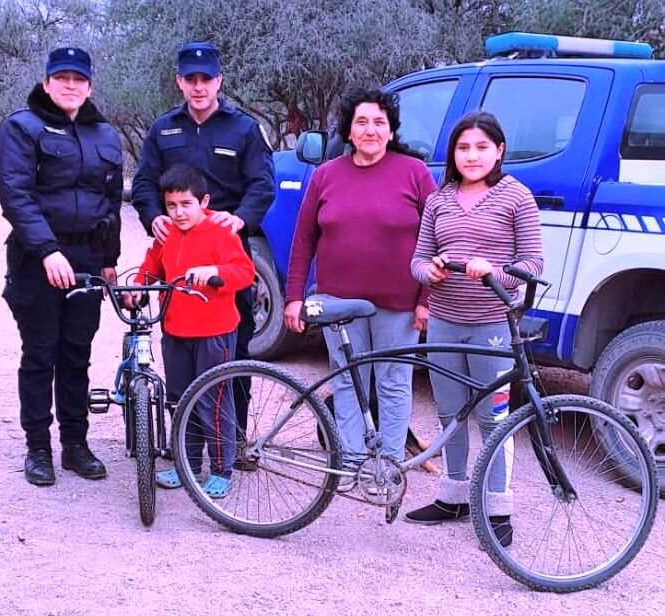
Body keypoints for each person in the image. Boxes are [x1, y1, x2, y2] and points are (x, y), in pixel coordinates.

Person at [284, 87, 437, 482]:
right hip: (338, 304)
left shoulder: (415, 173)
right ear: (349, 131)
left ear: (391, 131)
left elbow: (436, 239)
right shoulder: (325, 176)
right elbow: (303, 240)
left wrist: (426, 300)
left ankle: (388, 466)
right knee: (347, 380)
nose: (370, 130)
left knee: (393, 382)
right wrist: (294, 297)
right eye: (362, 122)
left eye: (379, 123)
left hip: (399, 303)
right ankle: (350, 463)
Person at [405, 111, 543, 546]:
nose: (472, 155)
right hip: (445, 321)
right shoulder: (439, 199)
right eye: (463, 147)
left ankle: (497, 506)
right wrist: (432, 273)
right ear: (453, 153)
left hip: (492, 326)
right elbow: (418, 259)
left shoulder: (516, 197)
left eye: (482, 147)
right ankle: (453, 496)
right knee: (449, 413)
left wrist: (496, 271)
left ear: (499, 151)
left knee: (493, 416)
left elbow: (533, 265)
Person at [131, 41, 274, 454]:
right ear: (179, 81)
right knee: (183, 349)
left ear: (219, 81)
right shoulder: (163, 129)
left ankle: (235, 442)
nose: (198, 87)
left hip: (225, 245)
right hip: (176, 246)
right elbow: (143, 182)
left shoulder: (243, 128)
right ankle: (187, 448)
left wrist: (242, 217)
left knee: (235, 349)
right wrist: (152, 215)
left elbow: (262, 185)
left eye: (206, 79)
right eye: (190, 79)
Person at [0, 47, 122, 486]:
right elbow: (16, 197)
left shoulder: (104, 134)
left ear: (90, 86)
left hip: (86, 256)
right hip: (37, 258)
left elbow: (110, 202)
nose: (71, 86)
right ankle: (38, 449)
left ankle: (75, 444)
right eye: (62, 78)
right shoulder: (21, 128)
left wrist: (109, 260)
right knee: (40, 353)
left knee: (76, 353)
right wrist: (48, 251)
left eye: (79, 79)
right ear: (46, 83)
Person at [127, 166, 255, 497]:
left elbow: (244, 272)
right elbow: (151, 268)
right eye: (171, 205)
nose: (179, 213)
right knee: (179, 400)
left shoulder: (221, 231)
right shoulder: (166, 234)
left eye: (186, 204)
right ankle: (187, 465)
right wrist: (138, 288)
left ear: (204, 201)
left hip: (215, 331)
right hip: (175, 329)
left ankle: (222, 468)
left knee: (212, 400)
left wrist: (215, 271)